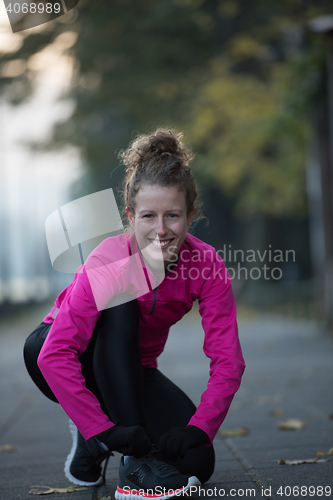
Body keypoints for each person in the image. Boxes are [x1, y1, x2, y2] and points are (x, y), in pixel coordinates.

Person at [24, 128, 245, 500]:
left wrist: (198, 429)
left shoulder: (206, 264)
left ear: (191, 215)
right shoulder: (110, 259)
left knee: (196, 462)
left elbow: (228, 362)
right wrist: (106, 431)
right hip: (62, 353)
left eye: (172, 215)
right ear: (130, 215)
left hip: (132, 370)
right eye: (148, 216)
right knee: (122, 294)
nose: (161, 230)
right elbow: (54, 355)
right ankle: (123, 452)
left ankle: (103, 439)